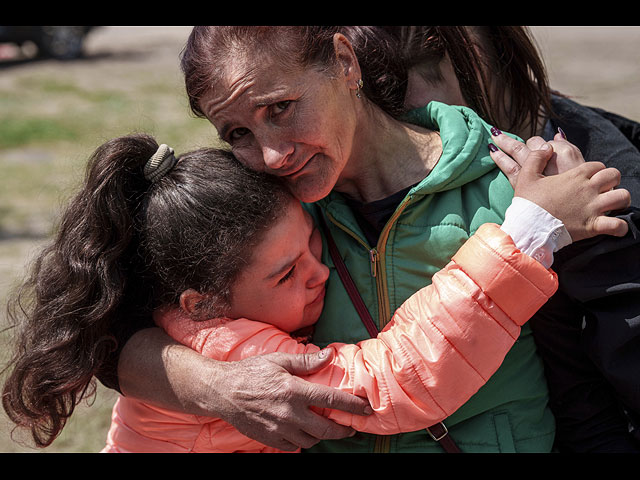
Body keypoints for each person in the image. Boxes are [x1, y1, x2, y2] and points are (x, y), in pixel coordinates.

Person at [95, 26, 632, 453]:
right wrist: (215, 385)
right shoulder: (263, 210)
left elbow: (580, 385)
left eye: (280, 108)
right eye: (238, 133)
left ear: (345, 63)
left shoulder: (519, 185)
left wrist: (533, 226)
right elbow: (115, 340)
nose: (272, 155)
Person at [3, 132, 593, 452]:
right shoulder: (230, 349)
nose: (321, 273)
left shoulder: (187, 311)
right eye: (286, 274)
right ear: (200, 303)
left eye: (315, 246)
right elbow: (390, 382)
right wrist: (524, 237)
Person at [380, 25, 640, 452]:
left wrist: (582, 246)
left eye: (436, 47)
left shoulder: (611, 180)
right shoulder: (343, 184)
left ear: (500, 47)